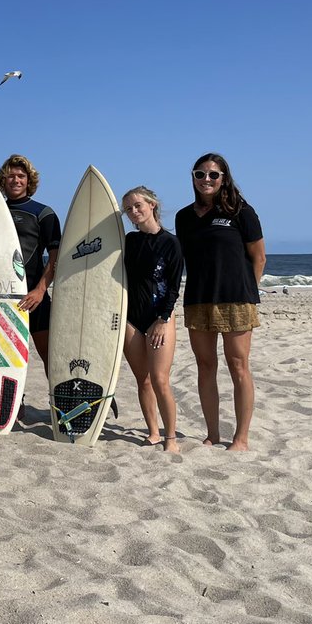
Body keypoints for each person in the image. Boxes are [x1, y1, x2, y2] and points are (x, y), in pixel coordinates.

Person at [174, 153, 266, 452]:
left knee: (238, 366)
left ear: (224, 178)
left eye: (214, 175)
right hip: (198, 299)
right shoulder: (184, 216)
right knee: (205, 366)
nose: (207, 180)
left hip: (236, 300)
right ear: (193, 178)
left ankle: (241, 438)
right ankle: (212, 434)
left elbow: (259, 257)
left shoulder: (241, 211)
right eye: (201, 174)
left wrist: (247, 291)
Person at [0, 155, 61, 373]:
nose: (16, 180)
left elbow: (56, 256)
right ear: (3, 180)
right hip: (1, 295)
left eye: (21, 176)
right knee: (4, 356)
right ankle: (15, 405)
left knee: (50, 355)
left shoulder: (43, 213)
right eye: (10, 176)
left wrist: (40, 291)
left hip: (34, 296)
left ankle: (56, 404)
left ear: (29, 181)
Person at [121, 186, 184, 452]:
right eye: (128, 209)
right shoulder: (129, 241)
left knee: (159, 379)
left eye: (137, 206)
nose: (133, 212)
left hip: (161, 317)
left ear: (152, 205)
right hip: (131, 319)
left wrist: (162, 318)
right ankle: (153, 433)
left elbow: (173, 286)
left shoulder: (171, 243)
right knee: (143, 380)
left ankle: (171, 438)